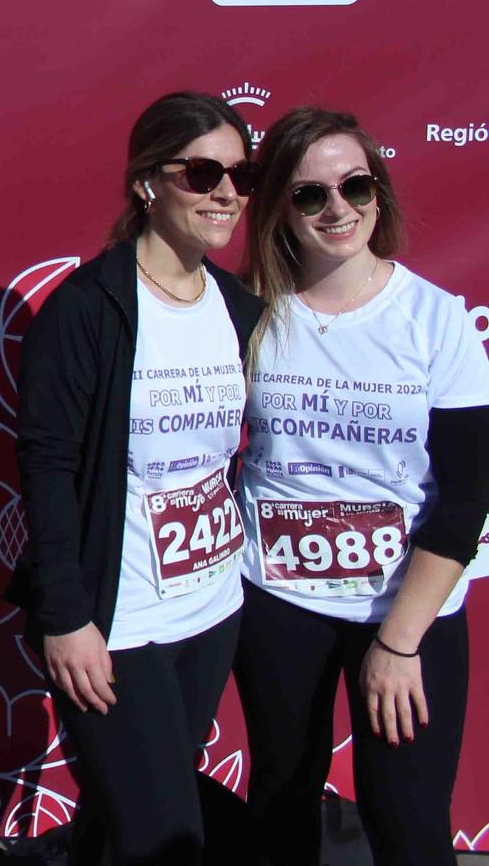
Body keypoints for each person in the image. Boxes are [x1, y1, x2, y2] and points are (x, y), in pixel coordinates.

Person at [7, 91, 264, 866]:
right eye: (202, 172)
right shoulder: (88, 310)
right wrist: (66, 617)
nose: (225, 192)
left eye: (240, 175)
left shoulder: (238, 306)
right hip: (119, 621)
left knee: (126, 816)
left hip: (213, 607)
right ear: (148, 182)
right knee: (165, 839)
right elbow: (46, 467)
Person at [234, 107, 489, 866]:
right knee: (281, 799)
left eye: (355, 185)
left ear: (380, 190)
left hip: (406, 609)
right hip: (279, 602)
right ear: (280, 203)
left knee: (406, 819)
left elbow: (468, 496)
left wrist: (399, 641)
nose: (339, 208)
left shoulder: (437, 320)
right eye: (311, 194)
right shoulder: (247, 314)